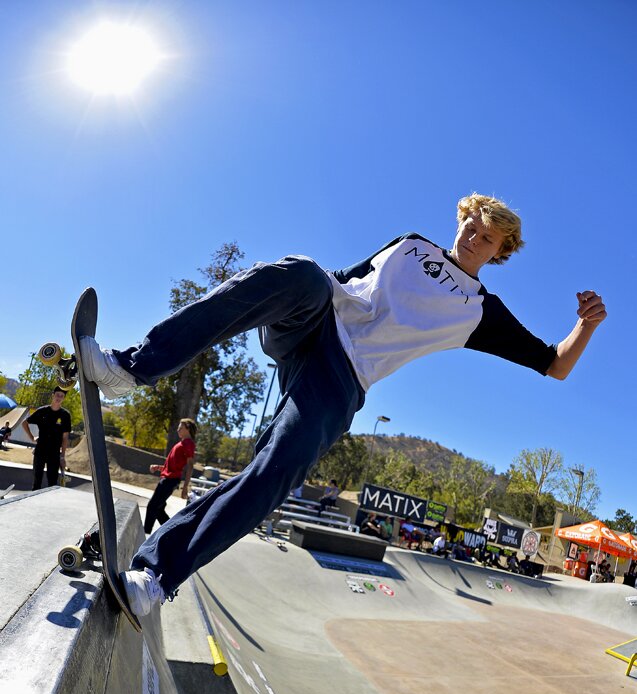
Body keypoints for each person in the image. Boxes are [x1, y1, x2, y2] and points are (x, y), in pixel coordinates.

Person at [78, 193, 607, 617]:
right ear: (460, 222)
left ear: (499, 251)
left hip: (342, 378)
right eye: (470, 226)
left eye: (486, 238)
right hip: (315, 318)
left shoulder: (481, 310)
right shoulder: (410, 244)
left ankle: (156, 575)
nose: (473, 239)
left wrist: (584, 326)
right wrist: (292, 292)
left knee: (277, 472)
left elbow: (554, 364)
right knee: (305, 272)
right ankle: (130, 369)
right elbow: (350, 280)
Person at [144, 419, 197, 534]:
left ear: (187, 429)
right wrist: (158, 467)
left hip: (170, 480)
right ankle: (174, 534)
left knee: (152, 506)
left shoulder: (188, 443)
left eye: (181, 427)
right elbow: (172, 466)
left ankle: (144, 534)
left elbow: (190, 465)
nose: (178, 429)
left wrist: (185, 487)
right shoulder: (180, 444)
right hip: (168, 478)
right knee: (158, 510)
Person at [22, 389, 71, 491]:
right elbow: (24, 423)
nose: (59, 398)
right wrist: (31, 437)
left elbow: (65, 437)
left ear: (64, 398)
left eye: (61, 396)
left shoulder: (65, 415)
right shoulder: (42, 411)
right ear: (53, 395)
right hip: (40, 450)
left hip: (54, 452)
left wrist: (62, 456)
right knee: (37, 481)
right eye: (57, 395)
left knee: (52, 482)